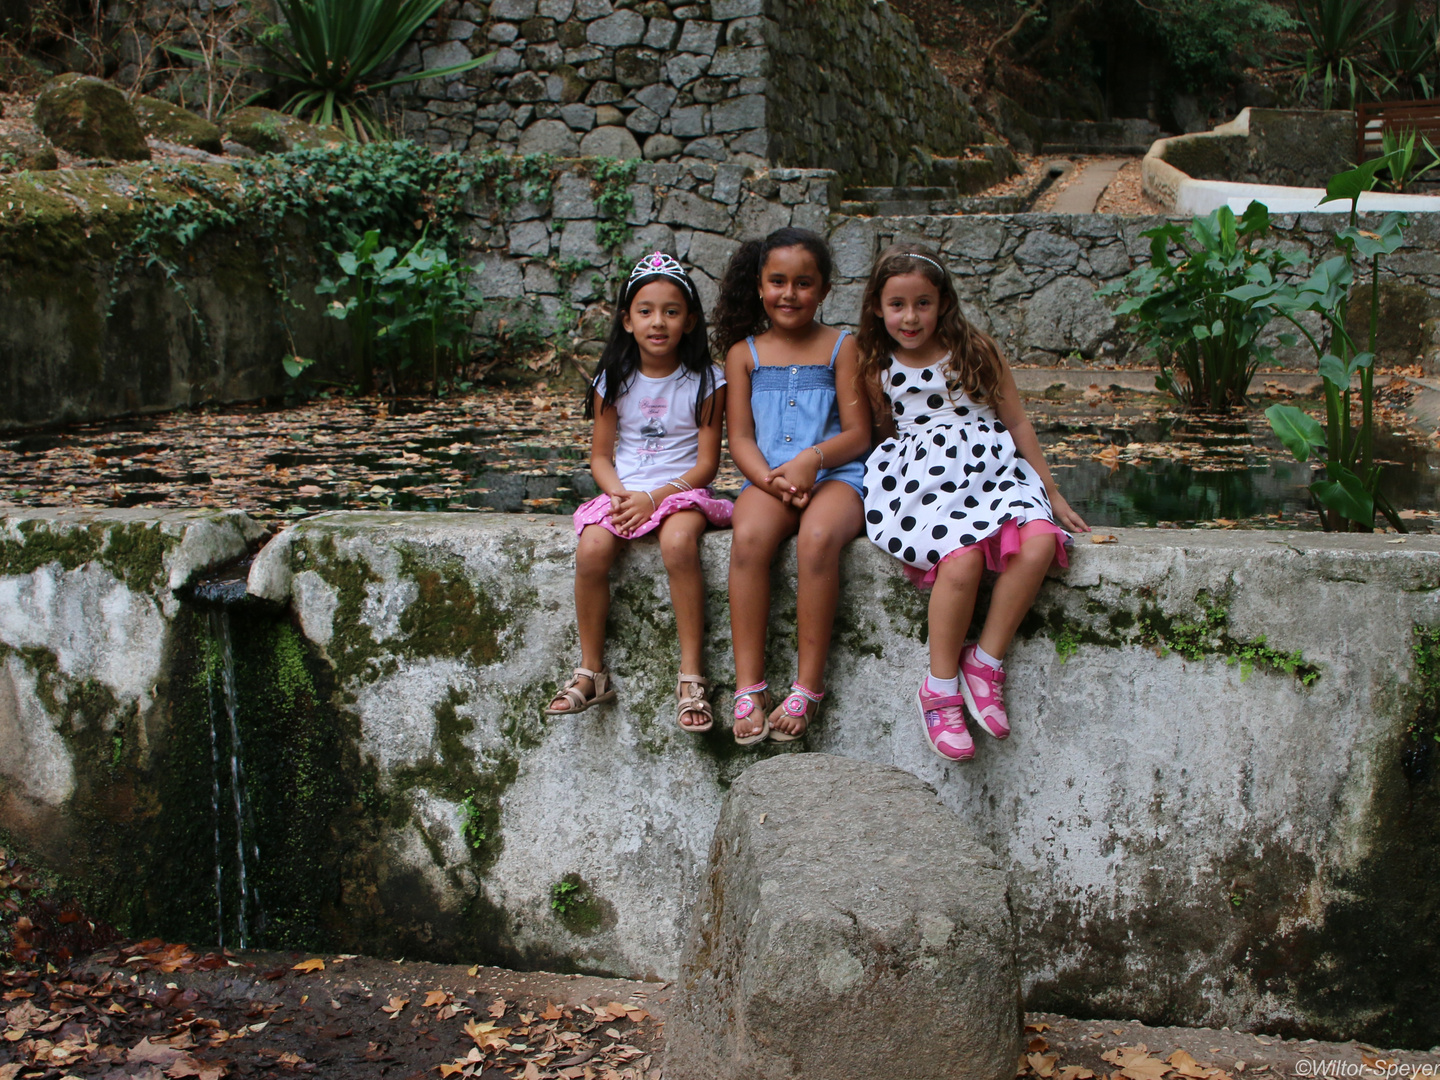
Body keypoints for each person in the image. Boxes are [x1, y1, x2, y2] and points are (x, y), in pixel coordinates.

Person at [856, 245, 1089, 762]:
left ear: (943, 303)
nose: (910, 317)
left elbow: (1018, 421)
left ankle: (984, 662)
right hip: (925, 480)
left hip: (995, 470)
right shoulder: (876, 364)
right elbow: (878, 434)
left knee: (1041, 543)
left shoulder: (975, 349)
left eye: (923, 303)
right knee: (958, 560)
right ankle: (939, 688)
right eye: (897, 304)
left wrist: (1051, 491)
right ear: (877, 306)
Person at [546, 252, 731, 733]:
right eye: (645, 311)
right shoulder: (614, 380)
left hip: (681, 493)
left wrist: (657, 498)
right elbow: (601, 457)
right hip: (626, 493)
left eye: (671, 311)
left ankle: (691, 675)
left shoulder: (707, 380)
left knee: (677, 543)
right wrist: (621, 496)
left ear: (689, 320)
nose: (658, 322)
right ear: (627, 320)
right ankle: (591, 671)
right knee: (592, 548)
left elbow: (707, 464)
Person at [713, 227, 872, 745]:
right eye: (777, 281)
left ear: (824, 290)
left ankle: (808, 683)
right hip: (769, 476)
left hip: (836, 475)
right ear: (759, 286)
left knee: (818, 538)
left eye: (804, 283)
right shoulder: (745, 354)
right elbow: (737, 437)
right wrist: (771, 481)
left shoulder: (842, 346)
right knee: (751, 537)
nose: (789, 293)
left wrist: (811, 460)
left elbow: (858, 434)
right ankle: (749, 685)